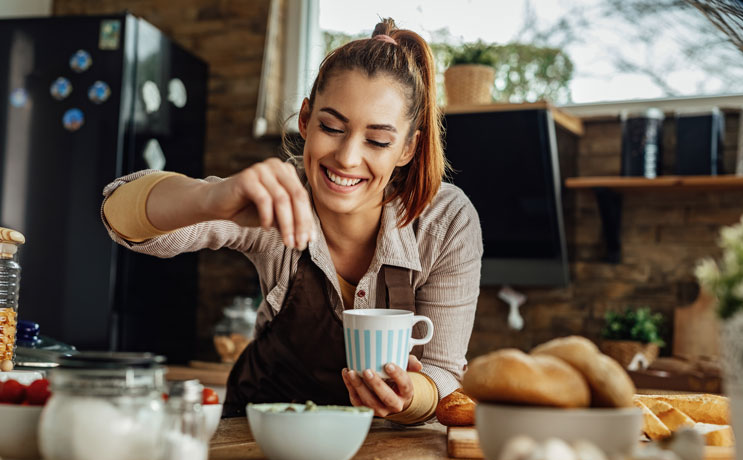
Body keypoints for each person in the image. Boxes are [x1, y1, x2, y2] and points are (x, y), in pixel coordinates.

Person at [101, 18, 482, 424]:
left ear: (408, 147)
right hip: (262, 434)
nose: (348, 157)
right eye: (332, 127)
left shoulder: (446, 220)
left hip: (385, 450)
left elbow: (443, 374)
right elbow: (117, 213)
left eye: (378, 140)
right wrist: (211, 197)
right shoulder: (276, 197)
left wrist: (408, 398)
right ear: (305, 119)